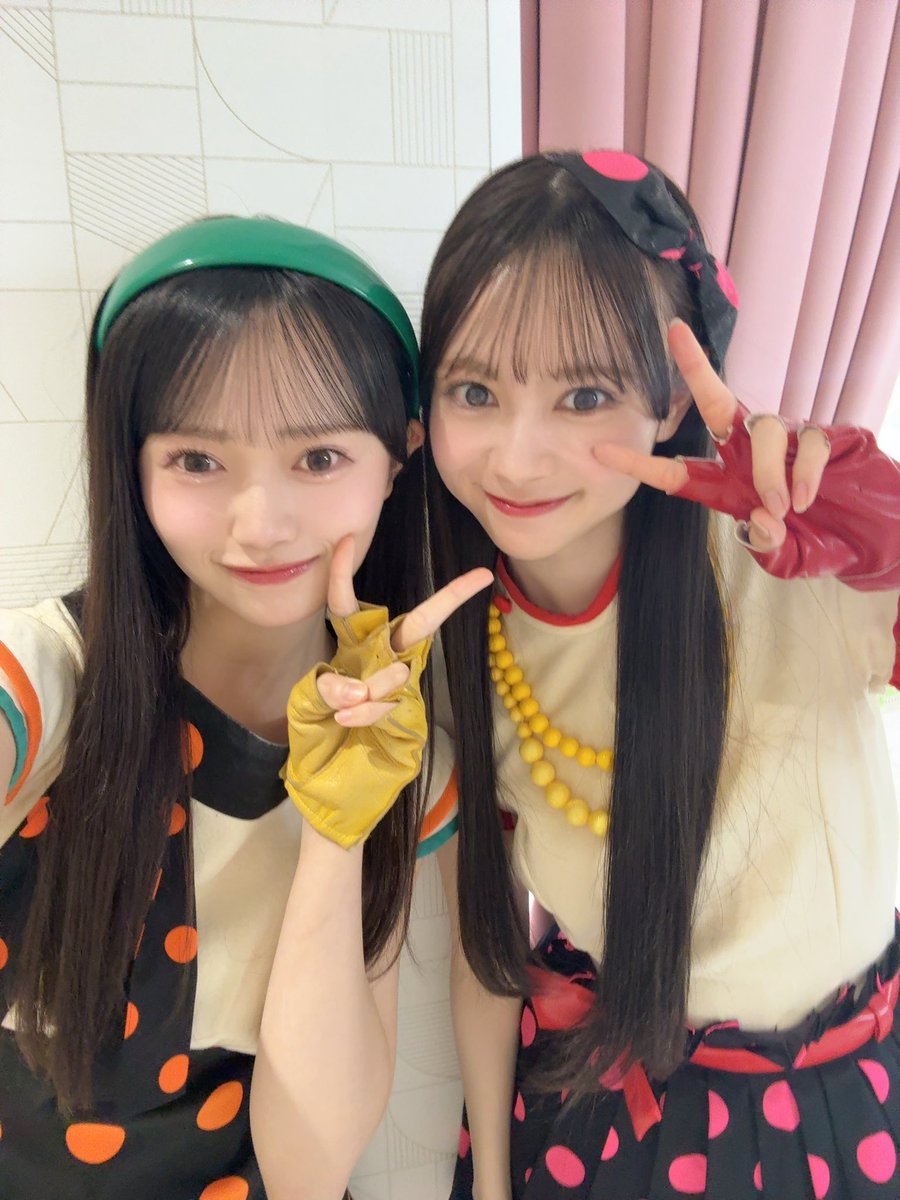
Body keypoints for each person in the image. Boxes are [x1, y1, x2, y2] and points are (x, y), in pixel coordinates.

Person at [418, 151, 900, 1199]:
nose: (517, 457)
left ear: (671, 397)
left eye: (585, 393)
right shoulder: (459, 643)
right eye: (475, 390)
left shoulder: (791, 558)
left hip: (848, 1095)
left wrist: (882, 526)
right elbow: (485, 947)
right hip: (603, 1101)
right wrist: (490, 1183)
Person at [0, 215, 489, 1200]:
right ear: (133, 464)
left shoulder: (401, 757)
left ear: (400, 456)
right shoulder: (45, 688)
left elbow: (310, 1169)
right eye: (196, 460)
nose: (261, 525)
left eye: (319, 458)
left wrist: (338, 829)